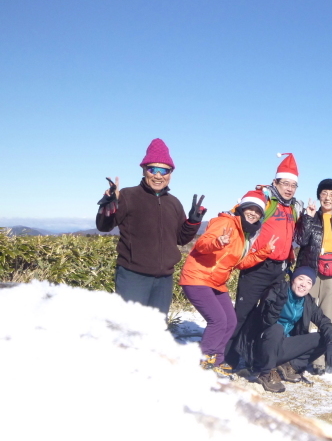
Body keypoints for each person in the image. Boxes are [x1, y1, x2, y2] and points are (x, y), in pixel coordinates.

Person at [96, 138, 206, 315]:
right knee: (128, 328)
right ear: (144, 170)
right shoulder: (128, 196)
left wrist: (193, 222)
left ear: (170, 173)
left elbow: (180, 239)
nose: (158, 175)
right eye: (152, 169)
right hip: (133, 276)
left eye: (164, 170)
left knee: (155, 330)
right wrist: (107, 206)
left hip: (164, 279)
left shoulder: (174, 203)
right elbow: (104, 226)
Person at [179, 191, 279, 376]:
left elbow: (240, 263)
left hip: (216, 281)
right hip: (198, 277)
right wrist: (218, 242)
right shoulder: (226, 222)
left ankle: (216, 360)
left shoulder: (244, 234)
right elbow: (202, 244)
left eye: (258, 212)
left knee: (230, 321)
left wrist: (263, 252)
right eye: (250, 208)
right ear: (241, 208)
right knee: (217, 320)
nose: (253, 213)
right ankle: (203, 360)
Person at [226, 153, 303, 367]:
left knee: (269, 315)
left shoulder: (293, 207)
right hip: (256, 267)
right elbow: (240, 215)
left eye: (293, 185)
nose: (289, 188)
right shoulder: (264, 200)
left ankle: (254, 356)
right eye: (285, 183)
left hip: (279, 270)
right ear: (275, 182)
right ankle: (227, 358)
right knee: (242, 313)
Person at [237, 266, 332, 393]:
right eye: (300, 279)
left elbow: (325, 322)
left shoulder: (307, 302)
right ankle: (266, 374)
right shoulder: (277, 291)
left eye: (309, 282)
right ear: (293, 280)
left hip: (283, 347)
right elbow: (265, 322)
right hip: (261, 348)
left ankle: (289, 367)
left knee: (324, 337)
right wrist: (276, 307)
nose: (303, 285)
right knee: (276, 329)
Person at [295, 179, 332, 374]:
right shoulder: (310, 216)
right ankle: (299, 357)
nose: (328, 197)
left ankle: (319, 361)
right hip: (310, 271)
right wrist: (308, 218)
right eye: (324, 193)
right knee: (304, 315)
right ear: (319, 195)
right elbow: (300, 240)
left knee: (328, 317)